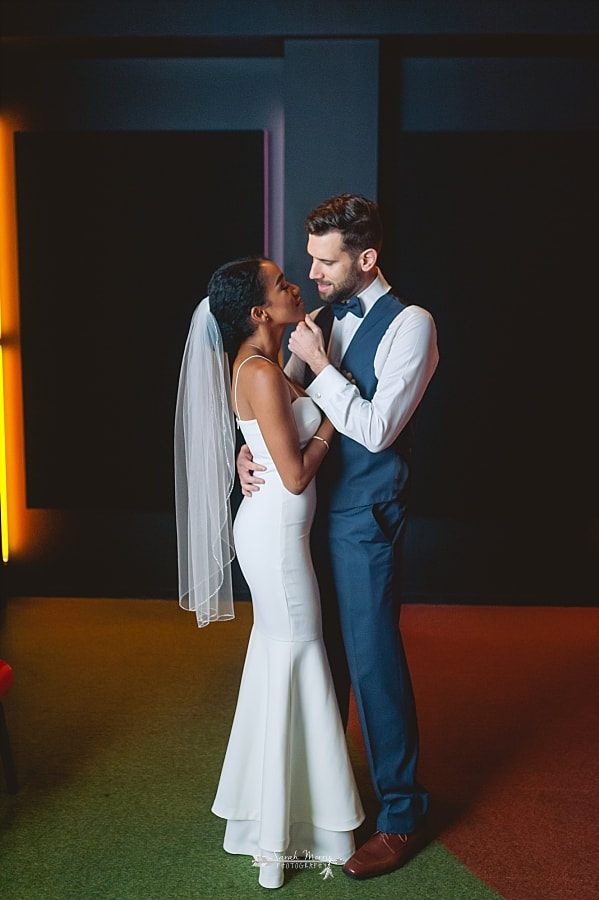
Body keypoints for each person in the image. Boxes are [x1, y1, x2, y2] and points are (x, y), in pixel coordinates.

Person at [238, 195, 439, 880]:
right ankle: (326, 799)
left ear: (366, 257)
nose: (313, 274)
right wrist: (248, 454)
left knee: (372, 660)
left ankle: (403, 814)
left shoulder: (412, 324)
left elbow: (379, 428)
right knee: (318, 661)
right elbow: (282, 411)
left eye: (325, 262)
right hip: (305, 514)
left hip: (364, 517)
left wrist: (320, 367)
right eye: (311, 260)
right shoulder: (318, 318)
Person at [174, 257, 364, 890]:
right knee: (296, 656)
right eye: (281, 285)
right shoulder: (256, 371)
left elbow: (269, 427)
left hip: (278, 534)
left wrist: (247, 447)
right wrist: (339, 416)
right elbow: (294, 472)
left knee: (283, 659)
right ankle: (289, 831)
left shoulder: (266, 367)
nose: (293, 287)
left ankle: (284, 818)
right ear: (260, 313)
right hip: (278, 543)